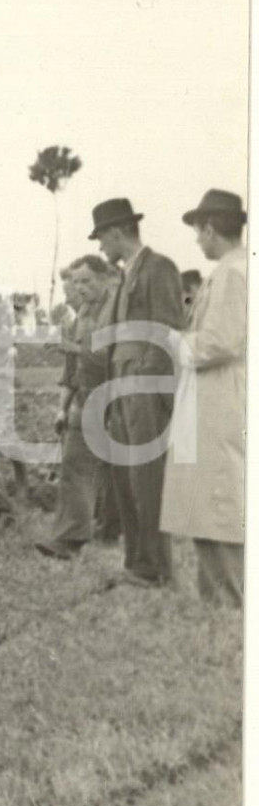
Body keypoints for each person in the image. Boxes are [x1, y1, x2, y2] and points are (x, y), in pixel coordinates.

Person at [92, 198, 184, 586]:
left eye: (102, 238)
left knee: (147, 478)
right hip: (121, 387)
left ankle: (157, 568)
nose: (100, 248)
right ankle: (139, 564)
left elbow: (167, 330)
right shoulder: (126, 276)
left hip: (144, 388)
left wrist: (146, 384)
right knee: (127, 479)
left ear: (116, 232)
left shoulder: (158, 268)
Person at [160, 190, 246, 607]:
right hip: (212, 399)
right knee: (209, 500)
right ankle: (215, 597)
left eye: (198, 231)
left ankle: (229, 600)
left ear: (211, 228)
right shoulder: (229, 271)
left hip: (221, 400)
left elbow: (222, 342)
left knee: (220, 500)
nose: (197, 241)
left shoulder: (234, 274)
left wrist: (174, 342)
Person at [36, 256, 115, 560]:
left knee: (114, 475)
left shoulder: (113, 311)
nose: (80, 287)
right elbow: (73, 367)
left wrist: (73, 348)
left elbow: (114, 357)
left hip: (114, 400)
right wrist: (65, 406)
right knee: (74, 466)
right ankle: (69, 540)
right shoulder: (83, 312)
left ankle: (114, 532)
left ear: (104, 278)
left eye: (86, 281)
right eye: (77, 282)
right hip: (86, 399)